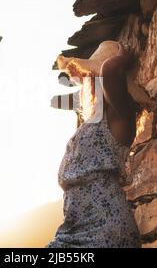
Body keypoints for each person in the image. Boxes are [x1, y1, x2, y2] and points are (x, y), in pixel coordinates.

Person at [46, 40, 141, 248]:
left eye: (93, 76)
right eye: (90, 77)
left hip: (105, 230)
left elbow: (109, 72)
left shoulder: (120, 116)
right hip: (75, 230)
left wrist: (119, 61)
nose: (90, 82)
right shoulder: (90, 123)